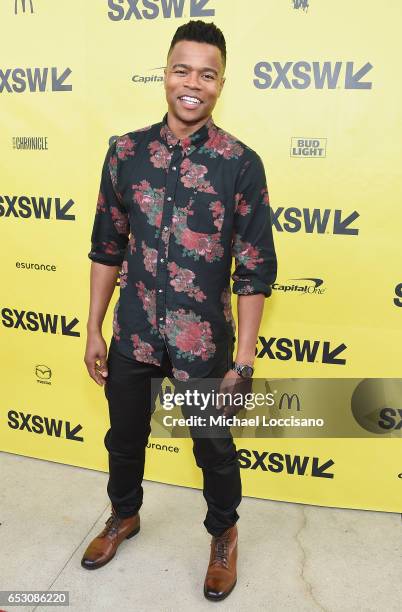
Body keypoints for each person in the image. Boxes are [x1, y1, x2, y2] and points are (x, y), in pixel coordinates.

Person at [82, 20, 277, 602]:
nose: (193, 83)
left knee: (213, 445)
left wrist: (241, 364)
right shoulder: (125, 152)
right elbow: (106, 246)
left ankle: (224, 534)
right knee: (123, 437)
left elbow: (255, 269)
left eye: (207, 74)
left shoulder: (240, 163)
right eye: (182, 69)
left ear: (221, 83)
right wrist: (93, 326)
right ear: (166, 73)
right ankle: (123, 515)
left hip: (203, 341)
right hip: (134, 331)